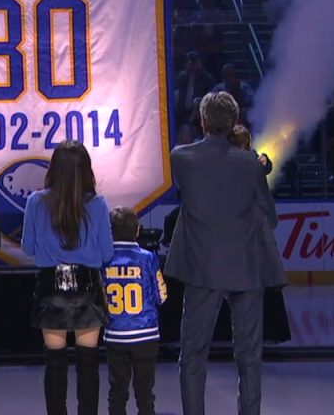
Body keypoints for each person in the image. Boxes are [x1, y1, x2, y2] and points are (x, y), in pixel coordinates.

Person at [166, 92, 286, 415]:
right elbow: (269, 216)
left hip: (202, 267)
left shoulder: (181, 157)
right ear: (234, 122)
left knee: (192, 355)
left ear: (202, 121)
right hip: (247, 267)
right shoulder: (250, 163)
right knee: (249, 356)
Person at [21, 140, 113, 415]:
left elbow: (27, 247)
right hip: (87, 288)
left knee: (55, 366)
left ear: (54, 169)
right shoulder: (98, 204)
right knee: (88, 365)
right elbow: (107, 253)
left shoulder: (36, 202)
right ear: (87, 170)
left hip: (51, 289)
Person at [103, 207, 167, 415]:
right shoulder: (147, 258)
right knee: (145, 391)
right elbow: (161, 296)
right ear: (137, 231)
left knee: (117, 391)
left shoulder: (104, 260)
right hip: (146, 336)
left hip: (115, 335)